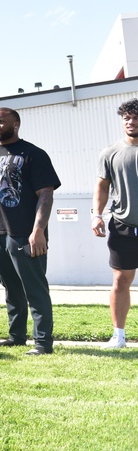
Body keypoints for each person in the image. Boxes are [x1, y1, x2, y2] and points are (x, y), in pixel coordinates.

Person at [0, 107, 60, 356]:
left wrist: (38, 230)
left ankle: (43, 343)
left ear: (16, 124)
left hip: (24, 233)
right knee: (11, 287)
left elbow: (45, 194)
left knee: (34, 288)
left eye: (1, 121)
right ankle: (16, 337)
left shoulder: (33, 154)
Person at [92, 98, 138, 349]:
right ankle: (119, 336)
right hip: (123, 226)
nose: (131, 122)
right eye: (127, 118)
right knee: (121, 281)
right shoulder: (110, 152)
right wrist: (96, 214)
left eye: (135, 117)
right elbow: (102, 185)